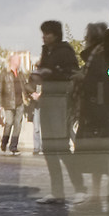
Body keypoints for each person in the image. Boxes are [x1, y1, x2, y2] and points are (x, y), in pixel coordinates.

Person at [30, 19, 83, 203]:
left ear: (56, 35)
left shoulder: (65, 51)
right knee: (49, 148)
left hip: (61, 100)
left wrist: (49, 73)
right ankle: (57, 191)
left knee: (61, 146)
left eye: (47, 33)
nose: (44, 37)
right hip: (48, 99)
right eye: (43, 33)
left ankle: (79, 188)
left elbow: (73, 74)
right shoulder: (46, 51)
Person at [0, 58, 24, 154]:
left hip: (20, 102)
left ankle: (13, 146)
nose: (19, 63)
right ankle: (4, 142)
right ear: (12, 62)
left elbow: (25, 86)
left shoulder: (20, 74)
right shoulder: (4, 73)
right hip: (8, 103)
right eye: (18, 61)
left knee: (18, 125)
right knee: (9, 123)